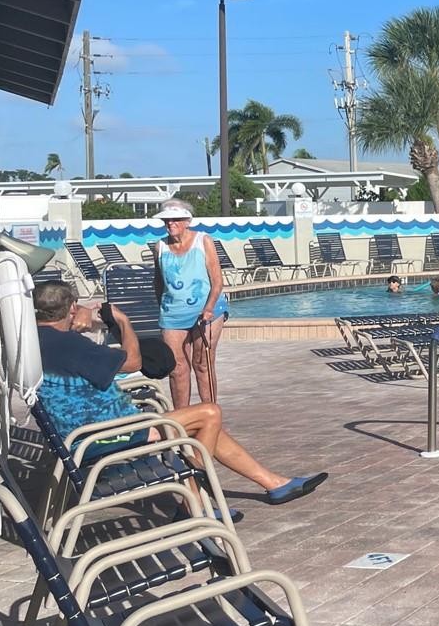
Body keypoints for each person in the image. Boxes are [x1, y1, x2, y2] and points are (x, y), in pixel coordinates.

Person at [33, 281, 327, 513]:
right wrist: (122, 321)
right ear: (72, 308)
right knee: (210, 413)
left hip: (85, 432)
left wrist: (82, 324)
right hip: (107, 436)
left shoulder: (37, 342)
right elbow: (133, 362)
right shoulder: (69, 345)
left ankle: (275, 484)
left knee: (204, 424)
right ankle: (193, 501)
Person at [151, 199, 227, 408]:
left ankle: (210, 413)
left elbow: (217, 281)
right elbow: (158, 282)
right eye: (166, 220)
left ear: (187, 221)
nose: (170, 223)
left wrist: (209, 308)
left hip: (207, 310)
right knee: (176, 368)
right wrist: (163, 308)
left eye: (175, 219)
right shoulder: (160, 247)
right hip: (172, 313)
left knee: (202, 364)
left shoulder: (203, 241)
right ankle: (182, 417)